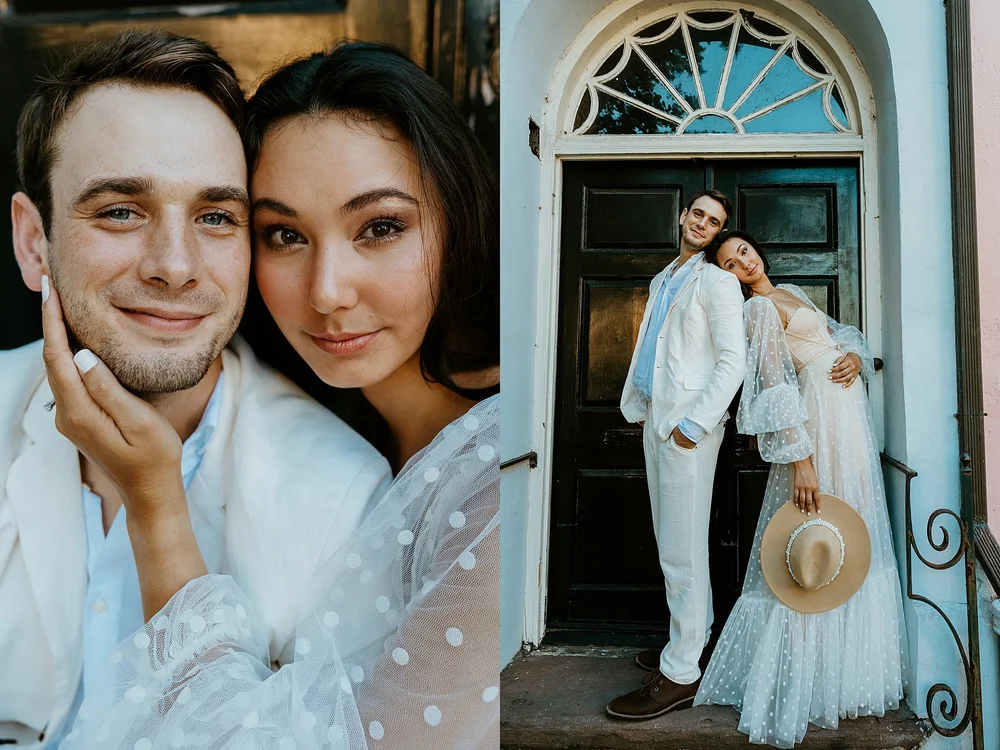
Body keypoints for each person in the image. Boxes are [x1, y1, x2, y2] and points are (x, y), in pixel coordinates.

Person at [54, 41, 500, 748]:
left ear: (460, 216)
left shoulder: (496, 481)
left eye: (380, 228)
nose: (327, 291)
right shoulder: (289, 421)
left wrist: (156, 505)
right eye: (284, 234)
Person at [0, 31, 392, 749]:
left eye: (215, 216)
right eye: (120, 210)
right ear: (34, 242)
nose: (176, 267)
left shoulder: (345, 494)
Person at [695, 230, 907, 748]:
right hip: (819, 430)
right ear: (726, 276)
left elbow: (841, 335)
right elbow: (773, 387)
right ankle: (802, 683)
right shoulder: (758, 312)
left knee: (854, 532)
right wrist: (802, 461)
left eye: (743, 250)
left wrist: (855, 358)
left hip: (850, 424)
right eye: (729, 262)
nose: (742, 261)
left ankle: (849, 674)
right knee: (821, 534)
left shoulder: (789, 291)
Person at [606, 191, 747, 720]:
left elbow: (732, 361)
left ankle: (681, 673)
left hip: (688, 431)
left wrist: (693, 424)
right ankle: (691, 641)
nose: (703, 225)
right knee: (673, 542)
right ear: (683, 216)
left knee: (681, 551)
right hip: (656, 423)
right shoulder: (664, 277)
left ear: (716, 234)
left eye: (714, 223)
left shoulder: (718, 281)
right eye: (698, 215)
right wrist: (645, 409)